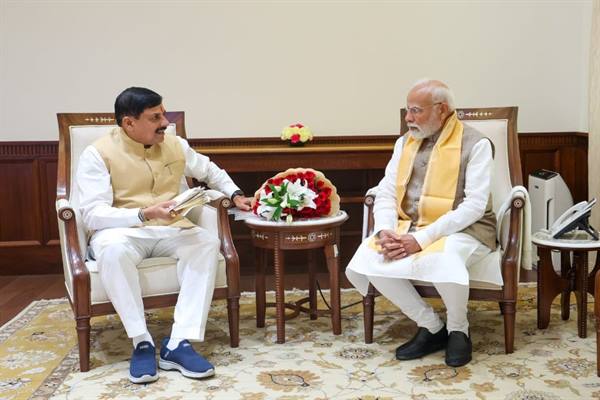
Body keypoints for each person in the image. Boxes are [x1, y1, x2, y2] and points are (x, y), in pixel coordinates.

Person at [75, 87, 251, 383]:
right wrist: (143, 214)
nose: (165, 123)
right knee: (112, 251)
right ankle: (141, 341)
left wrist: (235, 194)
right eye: (155, 117)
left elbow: (210, 170)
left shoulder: (175, 145)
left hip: (172, 228)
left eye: (164, 114)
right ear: (129, 122)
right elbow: (93, 213)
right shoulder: (97, 153)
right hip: (123, 231)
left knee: (206, 243)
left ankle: (179, 342)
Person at [346, 79, 499, 367]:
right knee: (372, 256)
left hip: (466, 228)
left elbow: (474, 206)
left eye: (416, 110)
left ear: (441, 109)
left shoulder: (476, 144)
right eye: (407, 110)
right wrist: (385, 231)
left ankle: (459, 330)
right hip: (409, 225)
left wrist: (421, 239)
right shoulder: (404, 143)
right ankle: (431, 326)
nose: (408, 118)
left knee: (446, 257)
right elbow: (387, 192)